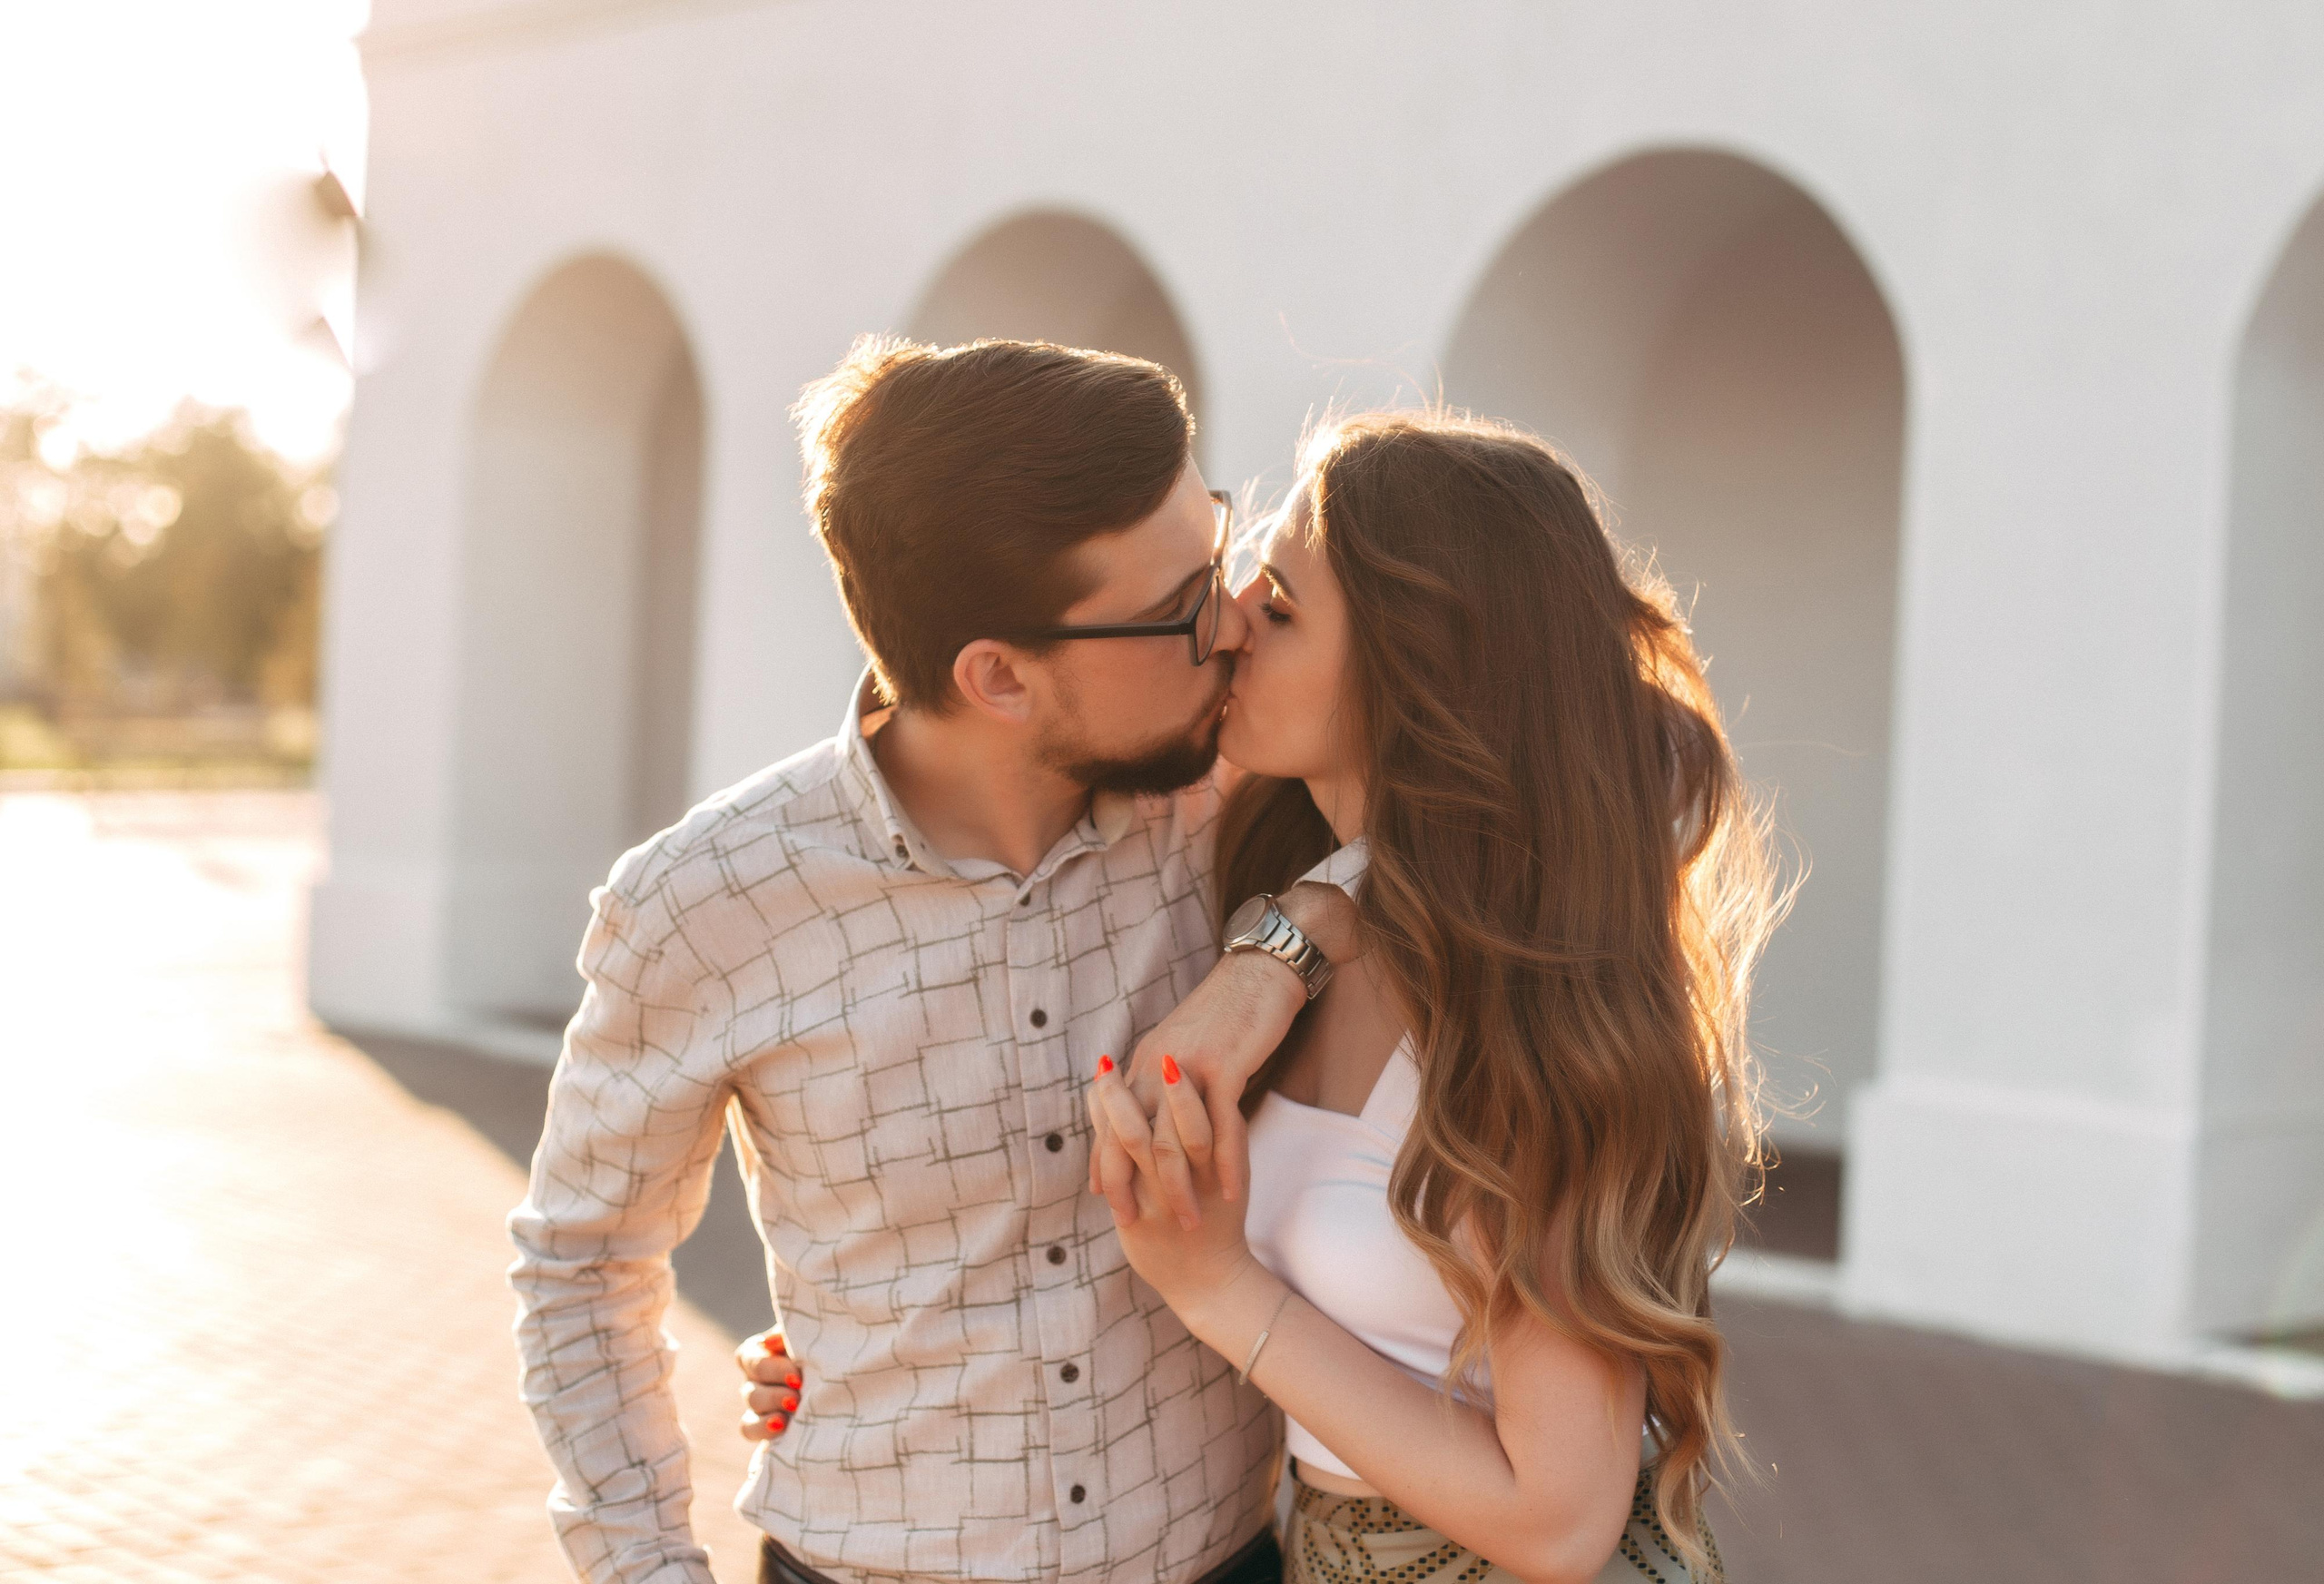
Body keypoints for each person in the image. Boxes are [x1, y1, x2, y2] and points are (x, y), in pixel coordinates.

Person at [745, 411, 1778, 1579]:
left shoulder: (1521, 1013)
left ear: (1415, 668)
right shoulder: (1276, 889)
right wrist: (876, 1346)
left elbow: (1559, 1517)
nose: (1230, 616)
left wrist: (1221, 1287)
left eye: (1279, 604)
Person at [508, 337, 1359, 1584]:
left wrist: (1295, 939)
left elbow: (1623, 776)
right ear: (998, 675)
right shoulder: (703, 902)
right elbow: (583, 1264)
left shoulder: (1244, 803)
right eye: (1183, 605)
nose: (1231, 619)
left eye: (1217, 552)